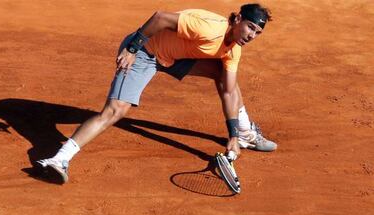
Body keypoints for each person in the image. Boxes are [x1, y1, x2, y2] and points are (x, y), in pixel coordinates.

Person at [37, 3, 277, 183]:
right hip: (145, 52)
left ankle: (244, 133)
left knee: (225, 77)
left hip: (174, 57)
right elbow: (161, 18)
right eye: (250, 27)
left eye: (257, 33)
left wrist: (232, 135)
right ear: (237, 19)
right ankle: (59, 158)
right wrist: (132, 48)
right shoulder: (209, 28)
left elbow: (228, 90)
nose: (251, 36)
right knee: (116, 110)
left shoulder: (233, 50)